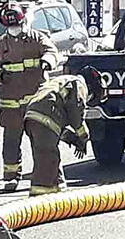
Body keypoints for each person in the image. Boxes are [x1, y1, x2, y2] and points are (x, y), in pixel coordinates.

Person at [0, 3, 59, 191]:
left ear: (24, 21)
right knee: (11, 142)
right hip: (11, 105)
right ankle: (11, 177)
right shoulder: (0, 44)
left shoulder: (37, 38)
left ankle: (47, 176)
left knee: (41, 141)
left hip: (36, 103)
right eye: (10, 27)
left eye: (16, 25)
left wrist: (47, 62)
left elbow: (51, 52)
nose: (15, 29)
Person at [24, 66, 106, 196]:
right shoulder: (79, 84)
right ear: (91, 86)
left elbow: (56, 123)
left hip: (32, 117)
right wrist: (83, 137)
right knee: (47, 159)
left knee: (49, 157)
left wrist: (72, 139)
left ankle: (59, 192)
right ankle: (39, 198)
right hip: (45, 118)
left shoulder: (62, 81)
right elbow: (76, 112)